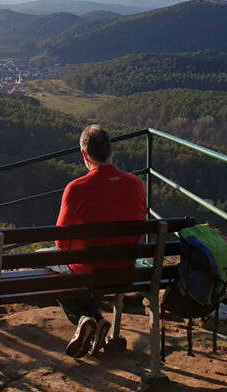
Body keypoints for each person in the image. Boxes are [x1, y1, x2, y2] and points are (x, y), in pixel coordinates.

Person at [55, 124, 148, 358]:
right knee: (88, 264)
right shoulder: (135, 184)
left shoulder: (75, 189)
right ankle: (95, 323)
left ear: (85, 155)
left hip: (90, 270)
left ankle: (87, 319)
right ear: (110, 152)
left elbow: (60, 243)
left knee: (48, 265)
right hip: (126, 269)